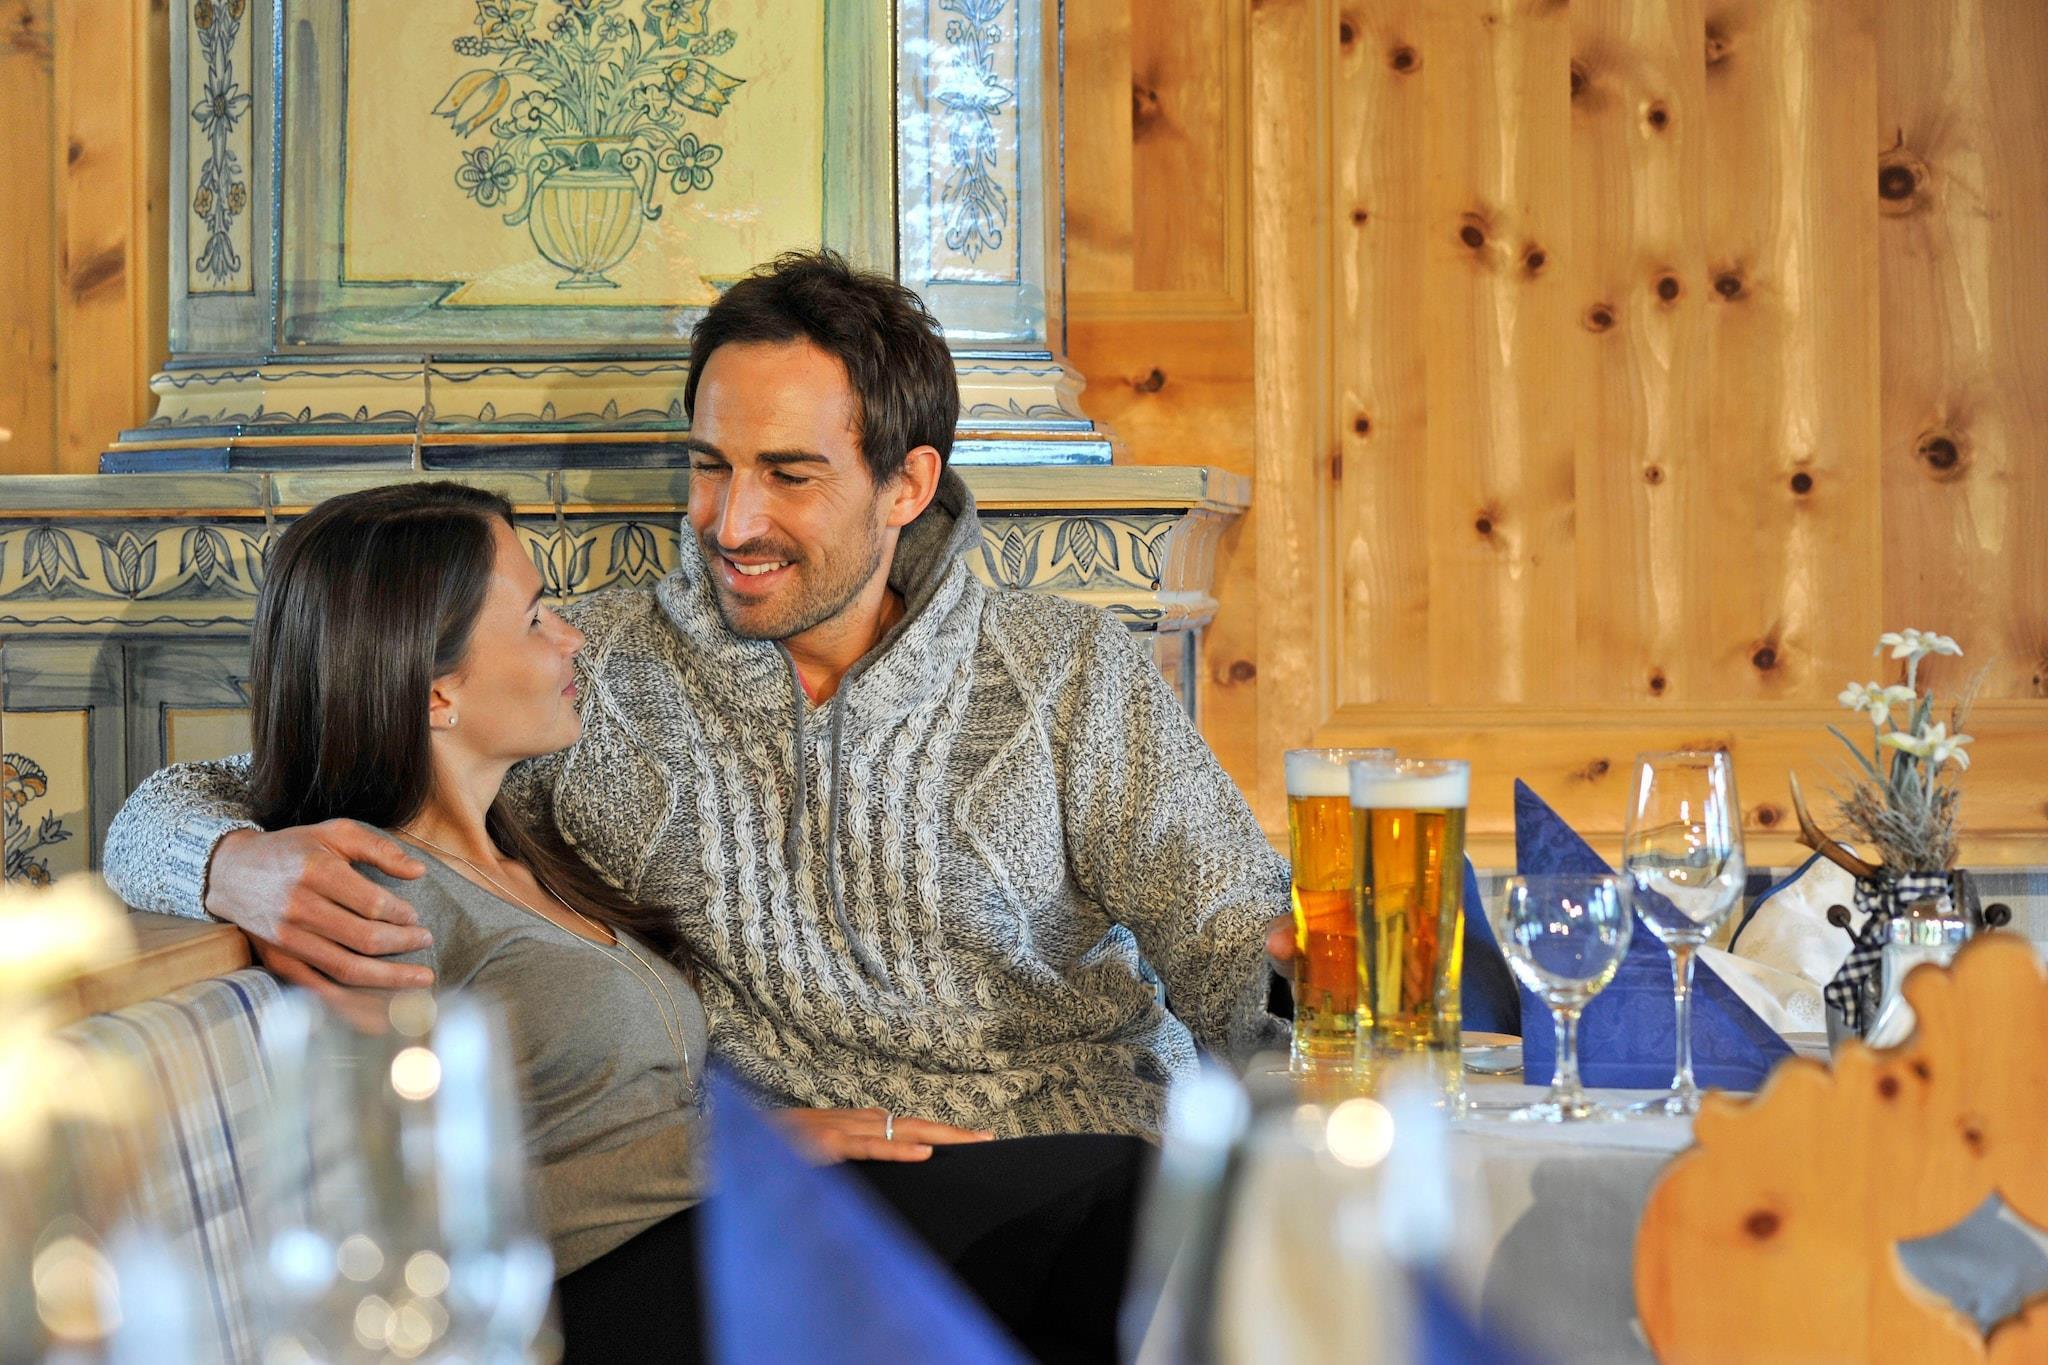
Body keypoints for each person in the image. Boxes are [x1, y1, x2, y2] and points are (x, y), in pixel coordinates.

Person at [105, 249, 1295, 1141]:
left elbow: (1231, 943)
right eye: (710, 466)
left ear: (904, 484)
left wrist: (1312, 1122)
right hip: (777, 1194)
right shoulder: (579, 671)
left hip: (1073, 1151)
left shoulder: (1066, 671)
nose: (732, 522)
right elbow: (219, 789)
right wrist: (226, 864)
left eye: (788, 475)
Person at [236, 480, 1145, 1362]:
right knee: (1113, 1199)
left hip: (708, 1232)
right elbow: (406, 1237)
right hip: (598, 1298)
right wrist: (738, 1151)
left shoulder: (524, 856)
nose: (574, 639)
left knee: (1083, 1268)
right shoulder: (369, 903)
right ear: (436, 692)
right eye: (537, 619)